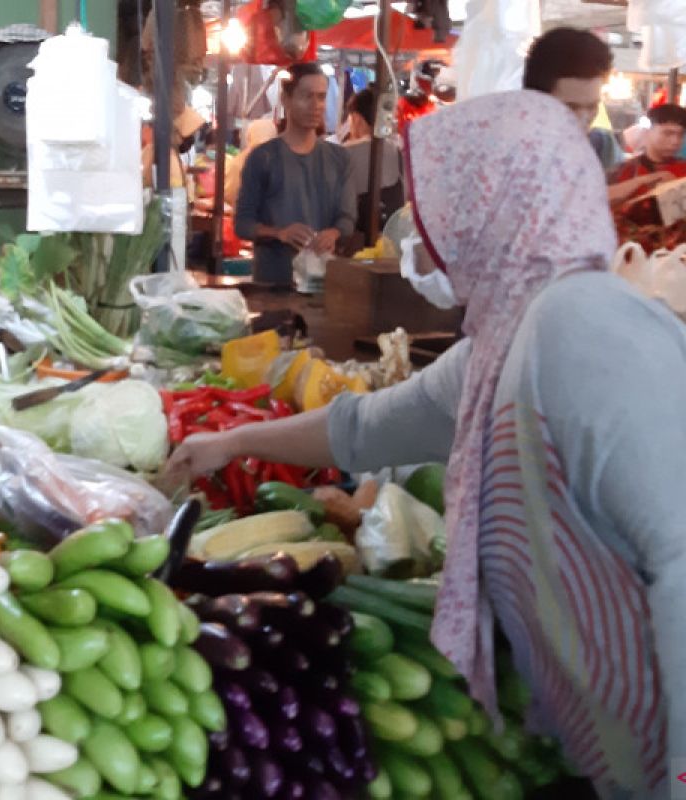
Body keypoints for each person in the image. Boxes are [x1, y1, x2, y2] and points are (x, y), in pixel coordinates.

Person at [161, 91, 684, 798]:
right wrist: (235, 441)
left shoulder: (582, 328)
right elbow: (367, 427)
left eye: (436, 205)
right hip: (609, 737)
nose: (420, 234)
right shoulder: (510, 336)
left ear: (493, 203)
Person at [523, 26, 673, 208]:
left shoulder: (579, 151)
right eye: (570, 108)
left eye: (592, 107)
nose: (583, 120)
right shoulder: (515, 157)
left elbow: (587, 196)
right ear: (534, 100)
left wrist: (645, 181)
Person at [234, 63, 355, 285]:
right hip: (271, 284)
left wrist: (333, 234)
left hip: (322, 281)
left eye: (321, 97)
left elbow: (347, 219)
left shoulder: (340, 158)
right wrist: (279, 233)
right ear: (286, 99)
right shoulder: (262, 157)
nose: (316, 105)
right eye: (306, 96)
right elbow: (242, 224)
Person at [343, 88, 405, 242]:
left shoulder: (344, 154)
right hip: (393, 243)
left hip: (356, 248)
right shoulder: (397, 152)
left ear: (356, 118)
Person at [610, 103, 686, 184]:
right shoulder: (626, 170)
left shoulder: (683, 169)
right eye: (667, 133)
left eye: (680, 135)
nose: (676, 141)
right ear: (647, 131)